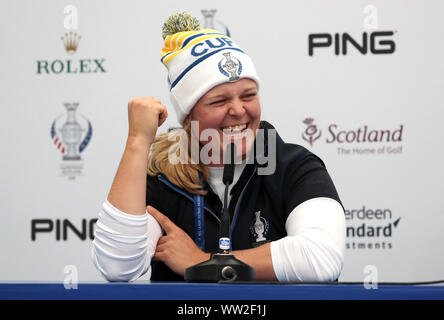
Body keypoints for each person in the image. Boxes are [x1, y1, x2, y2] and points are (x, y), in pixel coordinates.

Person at [91, 13, 346, 282]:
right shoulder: (165, 176)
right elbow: (116, 267)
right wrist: (137, 142)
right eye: (218, 101)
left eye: (249, 95)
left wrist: (202, 263)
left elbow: (321, 257)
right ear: (188, 115)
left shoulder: (293, 165)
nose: (238, 110)